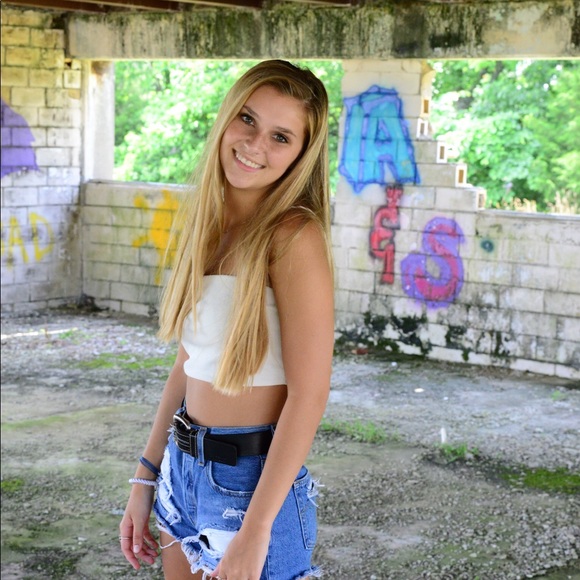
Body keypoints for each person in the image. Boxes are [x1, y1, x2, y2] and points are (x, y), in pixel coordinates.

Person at [119, 59, 335, 580]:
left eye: (281, 137)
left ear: (301, 155)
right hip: (183, 468)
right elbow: (189, 363)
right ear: (226, 118)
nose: (255, 145)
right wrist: (146, 476)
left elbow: (309, 395)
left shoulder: (292, 235)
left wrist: (257, 529)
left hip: (249, 488)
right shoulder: (209, 227)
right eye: (247, 119)